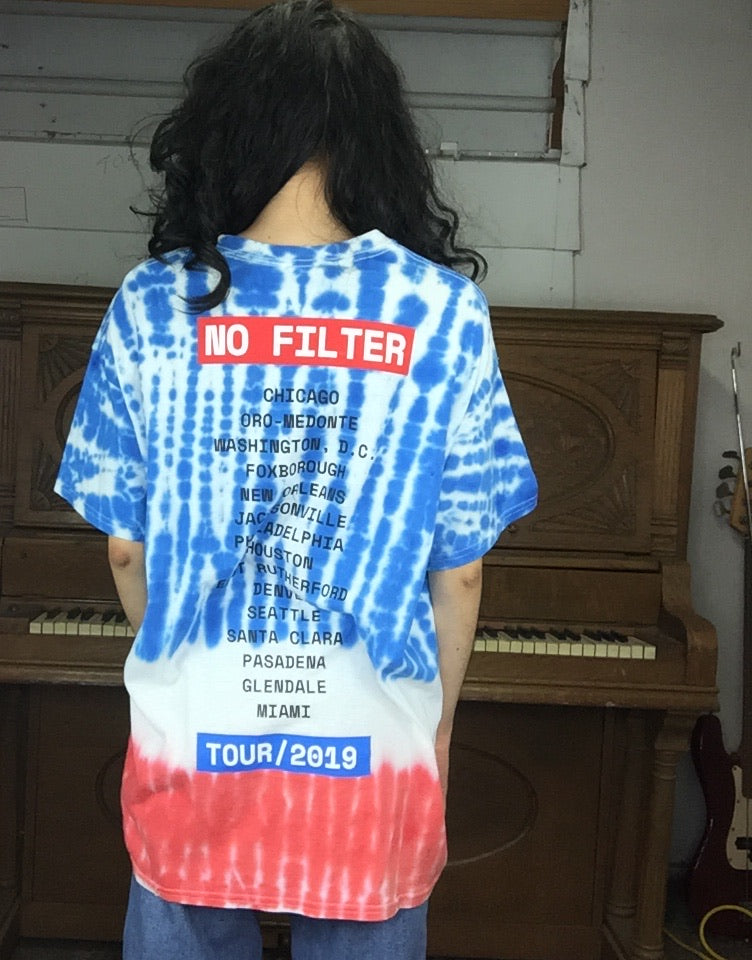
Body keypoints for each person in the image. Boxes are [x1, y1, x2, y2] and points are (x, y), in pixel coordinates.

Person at [55, 2, 538, 957]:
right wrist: (437, 732)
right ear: (379, 141)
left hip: (196, 748)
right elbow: (462, 569)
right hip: (373, 759)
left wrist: (176, 661)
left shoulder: (154, 305)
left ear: (224, 131)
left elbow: (124, 550)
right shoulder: (442, 313)